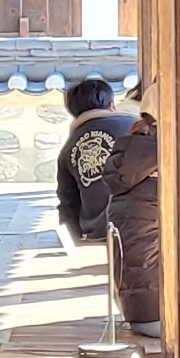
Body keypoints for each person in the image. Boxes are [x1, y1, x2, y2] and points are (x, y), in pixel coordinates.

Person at [55, 77, 164, 337]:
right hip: (140, 233)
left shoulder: (69, 147)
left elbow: (67, 202)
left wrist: (75, 238)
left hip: (98, 231)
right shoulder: (140, 135)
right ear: (111, 104)